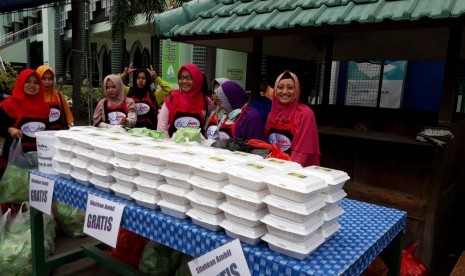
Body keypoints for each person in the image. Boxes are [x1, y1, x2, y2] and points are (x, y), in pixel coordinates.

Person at [0, 69, 50, 179]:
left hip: (40, 161)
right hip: (13, 161)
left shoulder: (45, 108)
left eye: (36, 82)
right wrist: (9, 130)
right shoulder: (9, 105)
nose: (32, 85)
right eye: (28, 81)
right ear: (21, 82)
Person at [265, 70, 320, 166]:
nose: (285, 91)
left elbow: (302, 151)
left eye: (290, 88)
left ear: (296, 90)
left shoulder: (305, 114)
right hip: (273, 167)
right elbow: (267, 143)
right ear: (275, 90)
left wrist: (288, 170)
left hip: (297, 169)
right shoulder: (272, 114)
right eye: (280, 87)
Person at [157, 63, 215, 138]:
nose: (184, 81)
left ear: (197, 79)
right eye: (181, 77)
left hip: (198, 148)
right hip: (174, 147)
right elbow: (161, 128)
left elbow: (213, 120)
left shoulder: (206, 100)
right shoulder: (171, 99)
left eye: (188, 78)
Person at [36, 65, 74, 129]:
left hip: (57, 135)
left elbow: (68, 118)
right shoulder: (32, 96)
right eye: (43, 78)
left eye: (50, 78)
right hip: (38, 135)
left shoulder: (59, 95)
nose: (47, 82)